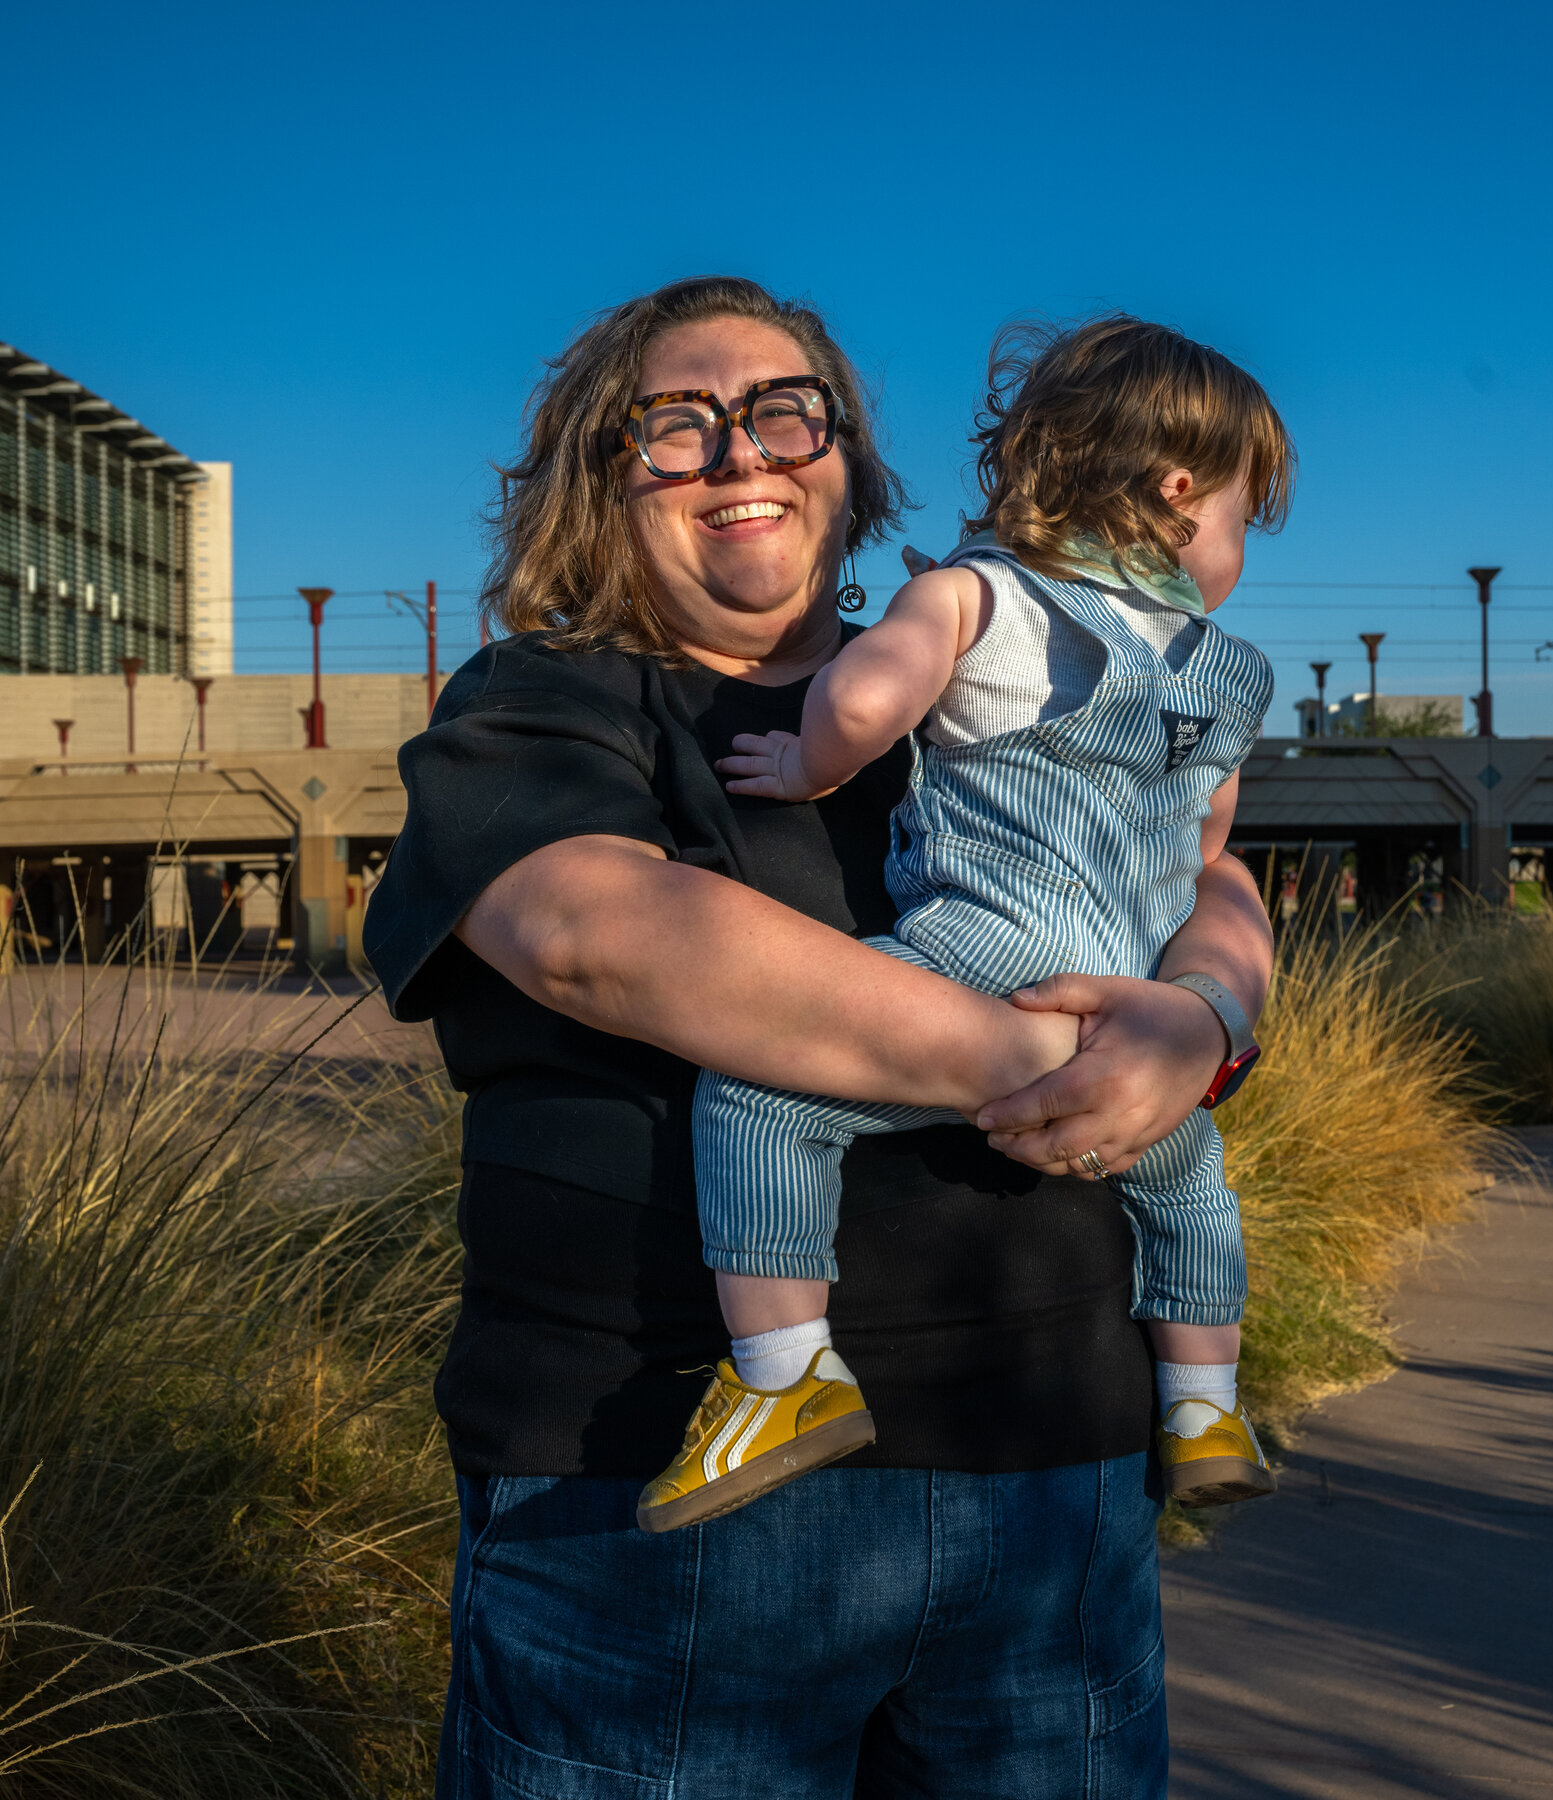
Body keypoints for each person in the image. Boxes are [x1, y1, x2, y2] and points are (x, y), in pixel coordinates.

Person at [364, 276, 1275, 1798]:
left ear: (847, 459)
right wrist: (1065, 1074)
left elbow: (1214, 868)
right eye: (678, 426)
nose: (743, 455)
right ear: (601, 478)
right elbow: (596, 932)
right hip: (657, 1509)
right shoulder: (542, 705)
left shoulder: (981, 675)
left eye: (787, 413)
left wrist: (1201, 1017)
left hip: (1052, 1476)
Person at [639, 317, 1292, 1537]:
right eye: (1243, 519)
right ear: (1179, 491)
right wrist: (1179, 990)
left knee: (763, 1096)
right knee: (1186, 1168)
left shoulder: (974, 593)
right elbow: (1212, 842)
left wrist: (807, 759)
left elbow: (872, 696)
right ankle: (1205, 1400)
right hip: (1128, 980)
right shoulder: (1232, 671)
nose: (1238, 548)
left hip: (990, 941)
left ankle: (784, 1376)